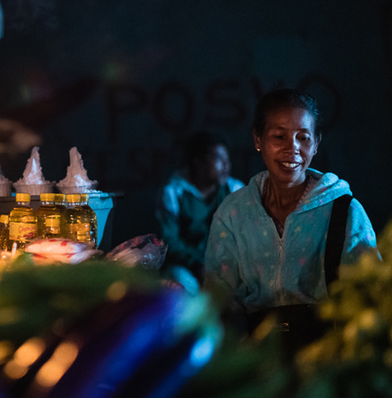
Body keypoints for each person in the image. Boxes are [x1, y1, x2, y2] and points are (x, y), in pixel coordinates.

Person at [206, 89, 379, 346]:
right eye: (279, 136)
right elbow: (215, 299)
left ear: (316, 143)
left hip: (328, 354)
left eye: (303, 138)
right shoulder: (233, 213)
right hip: (256, 360)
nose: (293, 148)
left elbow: (371, 290)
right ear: (258, 139)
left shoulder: (345, 210)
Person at [159, 131, 244, 274]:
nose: (226, 165)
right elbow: (169, 241)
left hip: (225, 268)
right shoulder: (174, 191)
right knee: (178, 278)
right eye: (218, 158)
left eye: (227, 159)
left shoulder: (235, 190)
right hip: (187, 268)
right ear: (197, 161)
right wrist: (196, 265)